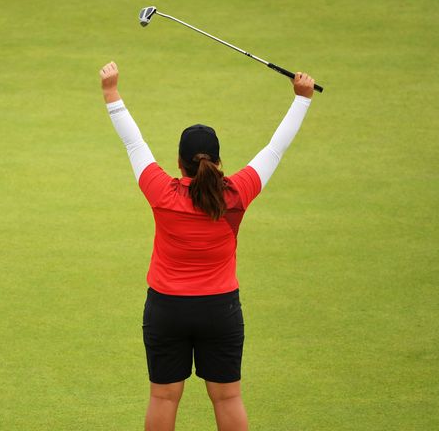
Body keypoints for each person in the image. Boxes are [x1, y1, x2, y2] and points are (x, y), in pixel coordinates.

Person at [100, 61, 315, 431]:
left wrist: (111, 92)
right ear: (218, 162)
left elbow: (134, 142)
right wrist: (302, 99)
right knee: (228, 397)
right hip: (220, 310)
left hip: (166, 308)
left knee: (163, 397)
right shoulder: (237, 193)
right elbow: (275, 148)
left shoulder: (161, 192)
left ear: (179, 163)